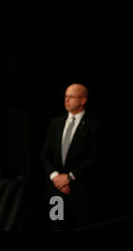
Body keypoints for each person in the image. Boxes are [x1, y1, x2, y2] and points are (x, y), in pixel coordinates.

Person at [41, 83, 101, 229]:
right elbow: (44, 154)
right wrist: (55, 177)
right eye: (65, 96)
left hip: (80, 190)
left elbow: (95, 157)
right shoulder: (55, 124)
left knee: (81, 224)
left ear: (83, 100)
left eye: (71, 97)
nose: (66, 100)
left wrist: (69, 177)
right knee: (56, 225)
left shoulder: (93, 126)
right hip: (56, 190)